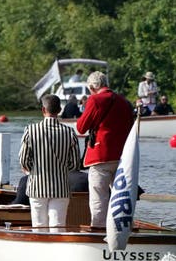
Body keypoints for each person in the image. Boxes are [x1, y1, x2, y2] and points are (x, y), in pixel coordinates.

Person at [75, 69, 135, 227]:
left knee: (98, 196)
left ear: (92, 87)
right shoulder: (123, 101)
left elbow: (81, 127)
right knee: (120, 197)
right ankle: (119, 228)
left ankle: (99, 230)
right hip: (123, 155)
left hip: (101, 155)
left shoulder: (95, 100)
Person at [18, 94, 83, 230]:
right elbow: (75, 163)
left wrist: (33, 170)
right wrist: (62, 169)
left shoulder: (31, 130)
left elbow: (23, 160)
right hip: (61, 187)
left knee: (38, 227)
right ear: (59, 110)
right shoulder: (70, 133)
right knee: (58, 227)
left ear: (43, 110)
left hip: (37, 186)